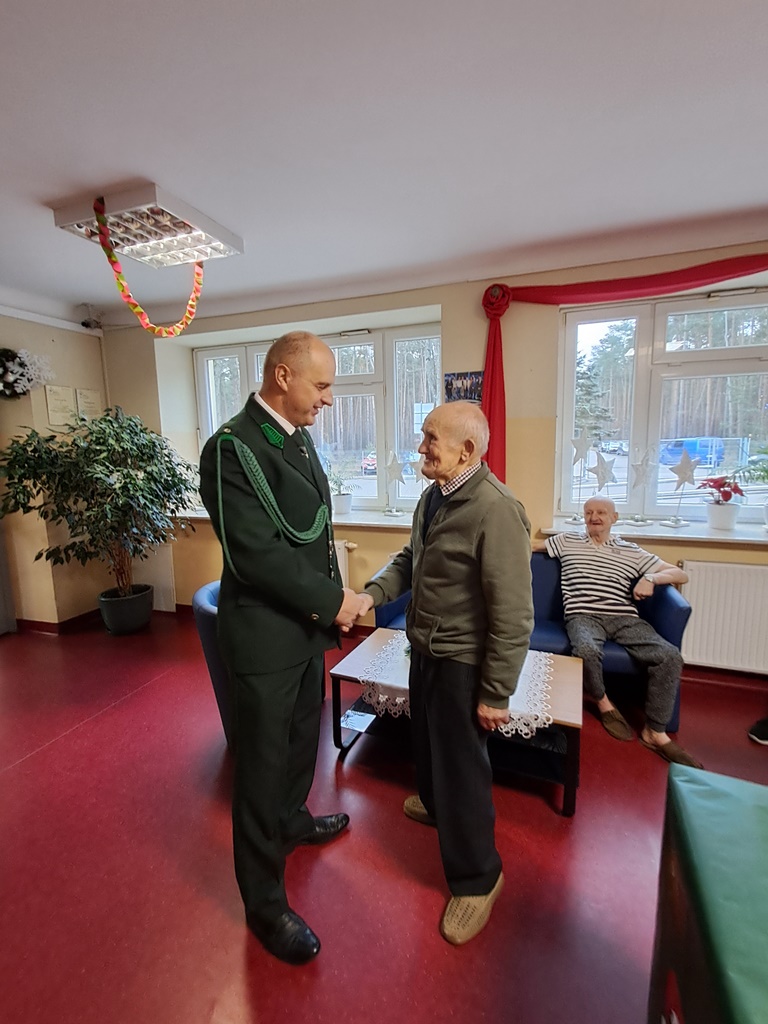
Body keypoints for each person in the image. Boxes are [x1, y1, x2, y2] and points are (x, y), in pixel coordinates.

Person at [199, 331, 367, 965]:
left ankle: (293, 821)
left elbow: (310, 533)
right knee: (260, 771)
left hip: (301, 630)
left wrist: (326, 603)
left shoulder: (293, 436)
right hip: (265, 638)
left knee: (300, 744)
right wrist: (334, 600)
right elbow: (255, 555)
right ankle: (264, 905)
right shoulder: (231, 447)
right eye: (321, 386)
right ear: (282, 376)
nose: (328, 399)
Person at [357, 401, 533, 945]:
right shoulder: (434, 495)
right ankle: (438, 808)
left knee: (462, 769)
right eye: (424, 436)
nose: (421, 447)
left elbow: (514, 614)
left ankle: (479, 879)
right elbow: (410, 560)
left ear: (467, 450)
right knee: (428, 746)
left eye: (431, 438)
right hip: (425, 649)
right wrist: (370, 595)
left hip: (463, 661)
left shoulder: (497, 510)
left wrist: (497, 692)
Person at [533, 496, 702, 768]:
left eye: (601, 512)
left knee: (670, 656)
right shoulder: (567, 541)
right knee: (585, 650)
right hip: (582, 616)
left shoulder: (631, 551)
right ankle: (604, 704)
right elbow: (530, 546)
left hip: (624, 618)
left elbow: (680, 575)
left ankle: (655, 732)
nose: (594, 517)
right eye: (589, 512)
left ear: (614, 518)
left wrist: (650, 578)